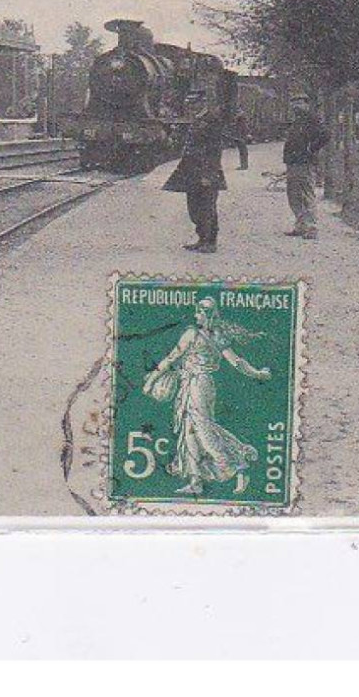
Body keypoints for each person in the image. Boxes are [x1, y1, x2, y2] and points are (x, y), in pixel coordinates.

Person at [143, 297, 271, 496]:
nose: (195, 316)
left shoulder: (192, 334)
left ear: (205, 314)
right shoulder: (218, 335)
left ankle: (236, 466)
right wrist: (257, 373)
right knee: (189, 432)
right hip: (200, 384)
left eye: (198, 313)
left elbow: (171, 358)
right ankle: (196, 480)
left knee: (203, 431)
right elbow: (237, 362)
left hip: (197, 385)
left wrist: (151, 380)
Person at [162, 96, 227, 253]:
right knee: (194, 208)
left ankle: (210, 242)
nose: (190, 107)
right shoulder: (197, 119)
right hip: (192, 170)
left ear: (202, 103)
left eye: (193, 104)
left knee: (207, 207)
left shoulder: (211, 120)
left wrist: (209, 174)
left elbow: (214, 150)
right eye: (188, 104)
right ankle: (201, 238)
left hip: (205, 171)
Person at [283, 100, 329, 239]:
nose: (295, 105)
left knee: (306, 193)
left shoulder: (312, 120)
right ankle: (301, 224)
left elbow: (326, 135)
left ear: (306, 105)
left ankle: (311, 226)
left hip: (305, 162)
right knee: (293, 194)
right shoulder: (296, 122)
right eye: (294, 102)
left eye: (299, 102)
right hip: (292, 162)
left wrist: (311, 149)